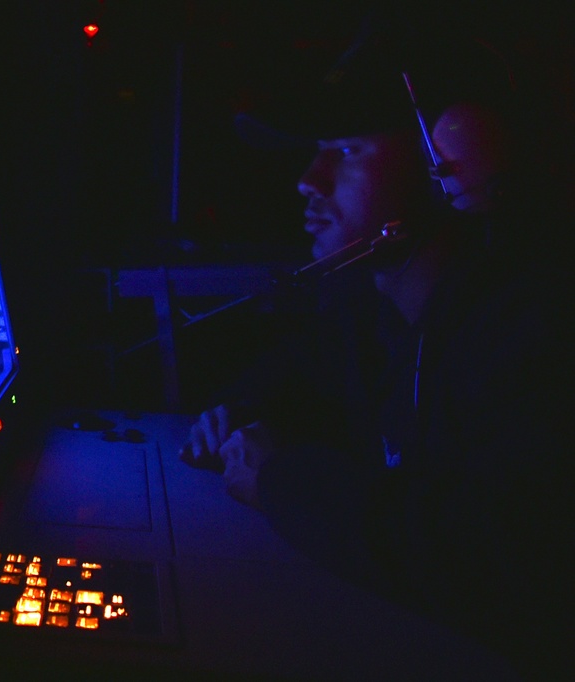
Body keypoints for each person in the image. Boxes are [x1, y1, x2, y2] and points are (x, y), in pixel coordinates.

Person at [182, 16, 574, 679]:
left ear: (452, 166)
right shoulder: (373, 315)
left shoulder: (534, 332)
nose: (309, 179)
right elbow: (283, 377)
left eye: (347, 149)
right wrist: (240, 415)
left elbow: (499, 558)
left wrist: (283, 480)